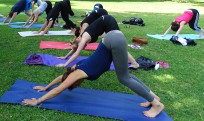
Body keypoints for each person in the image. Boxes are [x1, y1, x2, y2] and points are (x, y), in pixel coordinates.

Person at [22, 30, 164, 118]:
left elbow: (60, 87)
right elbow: (61, 78)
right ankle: (152, 97)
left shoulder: (76, 73)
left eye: (73, 85)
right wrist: (46, 87)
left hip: (113, 40)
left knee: (124, 78)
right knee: (126, 75)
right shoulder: (74, 68)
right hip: (112, 38)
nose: (76, 85)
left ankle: (156, 104)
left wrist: (38, 101)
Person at [57, 15, 140, 70]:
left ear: (78, 38)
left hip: (107, 21)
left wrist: (65, 64)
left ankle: (134, 63)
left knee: (117, 44)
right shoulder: (81, 39)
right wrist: (65, 57)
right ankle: (129, 60)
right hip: (105, 24)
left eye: (75, 41)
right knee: (115, 44)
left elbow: (76, 53)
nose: (75, 41)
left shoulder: (83, 38)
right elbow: (75, 49)